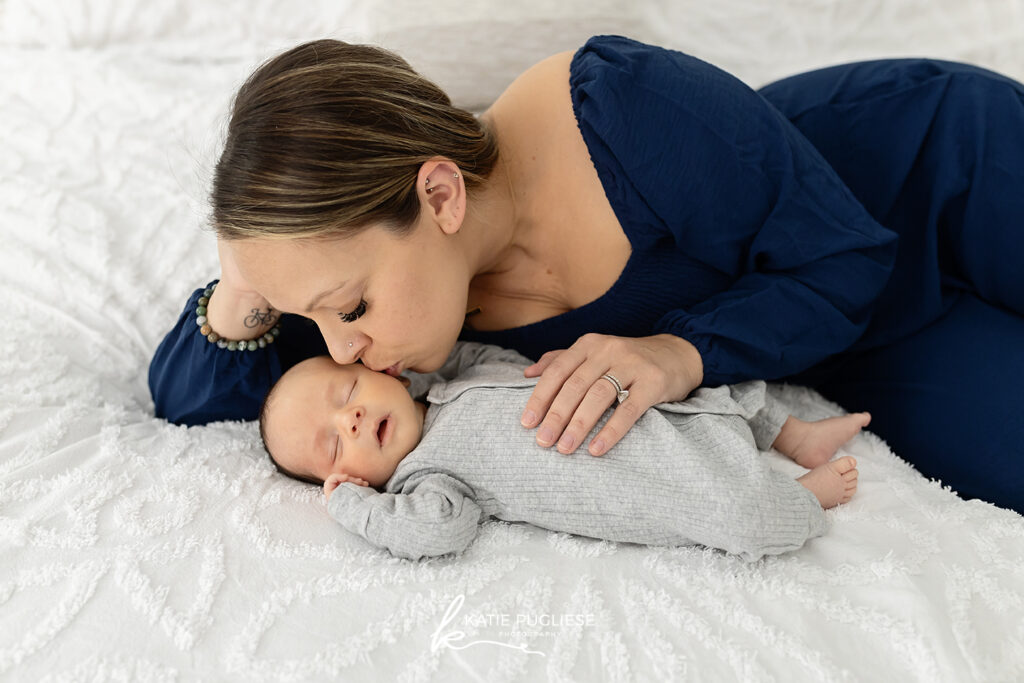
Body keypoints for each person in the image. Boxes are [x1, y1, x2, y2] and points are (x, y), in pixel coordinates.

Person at [149, 35, 1024, 513]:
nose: (342, 346)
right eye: (316, 315)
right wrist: (244, 283)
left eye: (348, 309)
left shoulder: (626, 106)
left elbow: (847, 255)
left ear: (441, 193)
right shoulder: (372, 311)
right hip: (836, 331)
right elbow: (188, 400)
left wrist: (678, 353)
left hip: (931, 179)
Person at [259, 342, 864, 561]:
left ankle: (796, 435)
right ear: (350, 479)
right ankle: (801, 499)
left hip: (638, 405)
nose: (354, 415)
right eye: (335, 440)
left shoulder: (448, 379)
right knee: (740, 519)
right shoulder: (427, 481)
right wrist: (355, 511)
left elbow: (481, 353)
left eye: (347, 391)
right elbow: (442, 532)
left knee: (714, 396)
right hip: (648, 480)